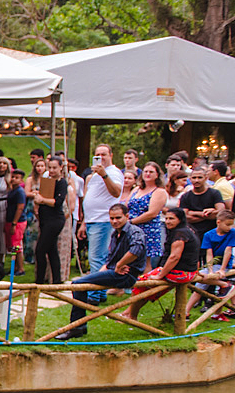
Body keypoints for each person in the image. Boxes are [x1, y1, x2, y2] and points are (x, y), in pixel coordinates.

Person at [56, 203, 147, 340]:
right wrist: (99, 274)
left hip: (126, 275)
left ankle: (77, 327)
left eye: (118, 218)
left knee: (77, 284)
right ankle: (78, 325)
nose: (114, 221)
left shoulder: (135, 232)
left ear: (127, 216)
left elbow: (136, 250)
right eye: (112, 218)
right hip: (115, 272)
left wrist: (121, 264)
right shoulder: (115, 234)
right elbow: (109, 261)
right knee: (80, 284)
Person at [126, 207, 200, 322]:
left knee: (140, 283)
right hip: (188, 272)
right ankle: (128, 313)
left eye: (172, 219)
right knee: (147, 289)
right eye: (166, 218)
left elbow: (174, 257)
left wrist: (160, 275)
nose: (168, 221)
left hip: (180, 273)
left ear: (180, 219)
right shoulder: (188, 229)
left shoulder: (180, 234)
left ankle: (131, 316)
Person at [75, 145, 123, 304]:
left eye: (104, 154)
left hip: (103, 220)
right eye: (97, 155)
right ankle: (101, 293)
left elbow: (116, 192)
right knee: (98, 258)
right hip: (91, 220)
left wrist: (104, 175)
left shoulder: (114, 172)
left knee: (96, 258)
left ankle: (94, 295)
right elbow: (89, 199)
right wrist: (84, 223)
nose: (100, 157)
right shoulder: (92, 176)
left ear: (111, 155)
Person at [32, 155, 68, 284]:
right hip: (45, 219)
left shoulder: (62, 182)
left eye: (54, 168)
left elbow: (58, 202)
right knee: (52, 251)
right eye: (50, 168)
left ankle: (39, 281)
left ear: (61, 168)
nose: (51, 170)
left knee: (40, 250)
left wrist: (43, 200)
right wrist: (38, 199)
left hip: (55, 220)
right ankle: (56, 280)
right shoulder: (47, 181)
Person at [128, 162, 167, 263]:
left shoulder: (159, 191)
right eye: (145, 171)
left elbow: (152, 213)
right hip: (131, 229)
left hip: (148, 230)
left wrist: (132, 222)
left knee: (145, 261)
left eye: (151, 172)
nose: (148, 174)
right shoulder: (136, 189)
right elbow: (126, 205)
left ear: (157, 175)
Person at [180, 165, 225, 243]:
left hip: (212, 234)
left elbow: (221, 212)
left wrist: (193, 213)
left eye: (200, 177)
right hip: (192, 235)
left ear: (206, 178)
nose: (197, 180)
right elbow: (185, 217)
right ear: (190, 179)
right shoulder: (185, 196)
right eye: (194, 178)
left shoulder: (214, 193)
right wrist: (206, 215)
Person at [5, 168, 27, 275]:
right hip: (9, 219)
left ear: (21, 180)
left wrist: (14, 223)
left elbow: (20, 208)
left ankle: (20, 268)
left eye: (17, 178)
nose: (13, 179)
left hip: (17, 221)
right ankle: (15, 267)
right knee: (12, 245)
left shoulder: (20, 192)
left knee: (16, 246)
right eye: (12, 177)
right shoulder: (12, 190)